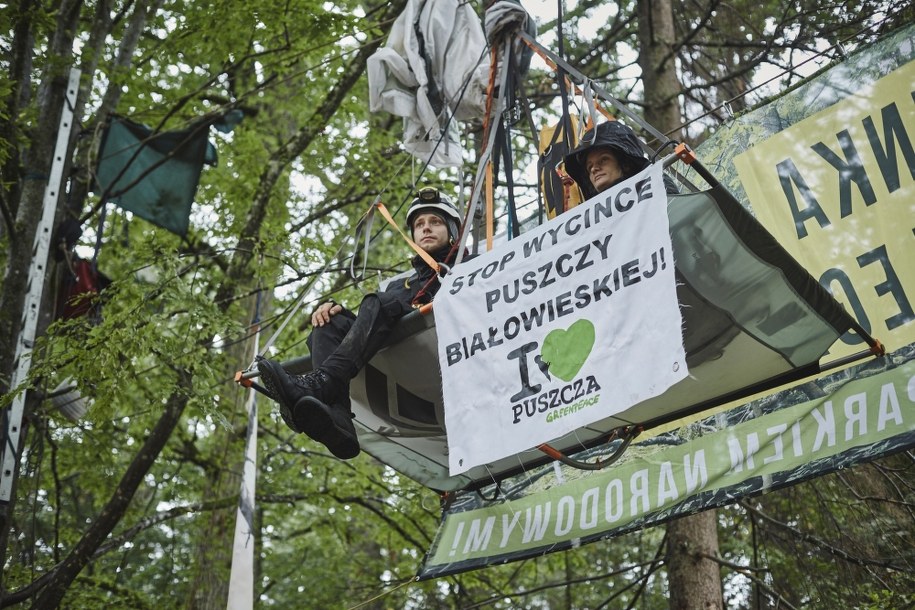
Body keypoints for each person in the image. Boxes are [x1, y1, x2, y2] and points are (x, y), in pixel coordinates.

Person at [257, 187, 463, 459]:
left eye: (435, 222)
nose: (426, 229)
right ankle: (339, 415)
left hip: (446, 357)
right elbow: (376, 319)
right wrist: (338, 314)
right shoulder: (400, 285)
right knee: (329, 322)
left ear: (452, 230)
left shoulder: (471, 267)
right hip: (400, 367)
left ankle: (321, 384)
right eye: (419, 224)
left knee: (378, 301)